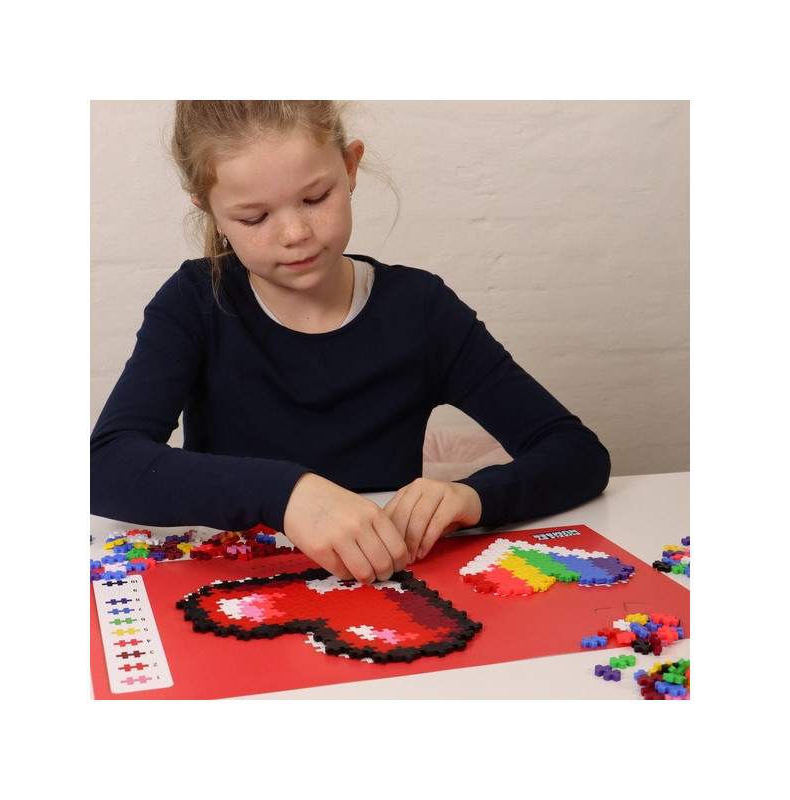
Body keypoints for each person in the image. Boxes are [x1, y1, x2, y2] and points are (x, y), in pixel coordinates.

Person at [91, 100, 611, 585]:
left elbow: (576, 453)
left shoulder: (420, 309)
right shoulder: (195, 303)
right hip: (236, 588)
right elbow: (104, 466)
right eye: (254, 218)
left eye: (315, 198)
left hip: (387, 586)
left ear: (351, 166)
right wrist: (286, 494)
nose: (294, 233)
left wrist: (472, 497)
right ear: (209, 209)